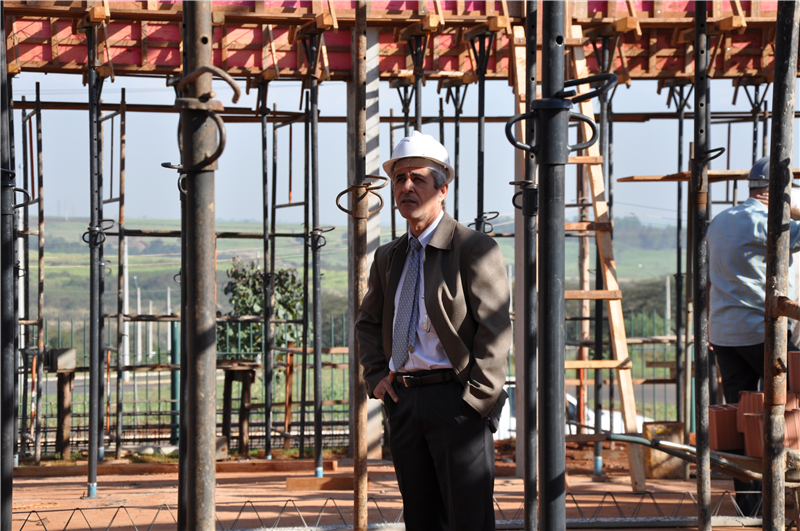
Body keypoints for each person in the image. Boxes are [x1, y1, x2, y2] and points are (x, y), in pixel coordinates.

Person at [355, 131, 512, 531]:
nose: (406, 187)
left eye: (418, 178)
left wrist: (476, 401)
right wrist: (377, 376)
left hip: (457, 401)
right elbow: (368, 322)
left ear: (443, 189)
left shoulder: (473, 249)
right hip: (404, 400)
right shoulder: (389, 257)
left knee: (468, 520)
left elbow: (495, 329)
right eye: (399, 178)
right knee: (422, 519)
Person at [707, 156, 800, 515]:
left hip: (724, 332)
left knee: (739, 417)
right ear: (776, 192)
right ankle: (784, 493)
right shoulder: (768, 222)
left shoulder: (721, 219)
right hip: (761, 331)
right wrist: (793, 208)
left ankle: (752, 506)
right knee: (790, 405)